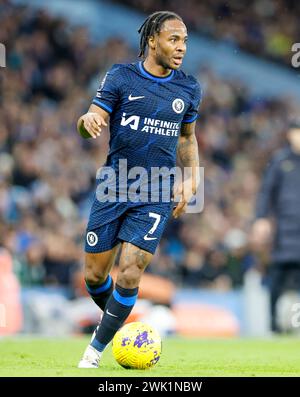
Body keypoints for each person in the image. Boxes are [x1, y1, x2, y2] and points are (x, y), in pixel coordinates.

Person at [77, 11, 202, 368]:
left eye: (185, 41)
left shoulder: (189, 88)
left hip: (156, 190)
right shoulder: (121, 76)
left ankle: (93, 352)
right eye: (173, 40)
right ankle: (127, 327)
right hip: (114, 185)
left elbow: (188, 138)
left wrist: (192, 179)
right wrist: (87, 122)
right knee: (95, 276)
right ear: (152, 40)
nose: (181, 48)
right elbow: (90, 122)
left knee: (131, 269)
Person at [252, 119, 300, 333]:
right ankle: (274, 326)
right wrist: (261, 218)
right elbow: (265, 192)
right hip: (284, 232)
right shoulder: (280, 162)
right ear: (290, 135)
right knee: (277, 280)